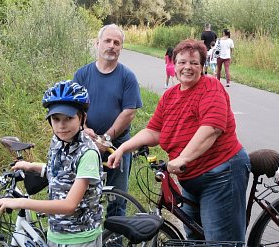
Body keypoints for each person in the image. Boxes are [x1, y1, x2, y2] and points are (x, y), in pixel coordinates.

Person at [107, 39, 250, 242]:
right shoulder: (170, 96)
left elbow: (211, 129)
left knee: (221, 240)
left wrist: (182, 158)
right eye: (182, 62)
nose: (187, 67)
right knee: (194, 237)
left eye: (194, 63)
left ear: (202, 66)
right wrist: (123, 148)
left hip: (220, 174)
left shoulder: (211, 87)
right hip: (190, 178)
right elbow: (154, 131)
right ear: (174, 65)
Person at [0, 80, 104, 247]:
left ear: (82, 118)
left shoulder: (88, 153)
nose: (61, 125)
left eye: (69, 118)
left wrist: (20, 202)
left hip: (80, 238)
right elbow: (61, 172)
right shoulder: (58, 142)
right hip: (56, 233)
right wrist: (31, 166)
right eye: (56, 118)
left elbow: (69, 205)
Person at [73, 24, 143, 218]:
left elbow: (128, 112)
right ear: (97, 44)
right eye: (107, 41)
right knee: (83, 195)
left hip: (117, 147)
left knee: (117, 198)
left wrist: (106, 139)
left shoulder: (127, 77)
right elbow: (74, 109)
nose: (111, 46)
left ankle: (114, 241)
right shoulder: (82, 75)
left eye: (116, 43)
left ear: (121, 48)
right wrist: (84, 128)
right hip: (85, 144)